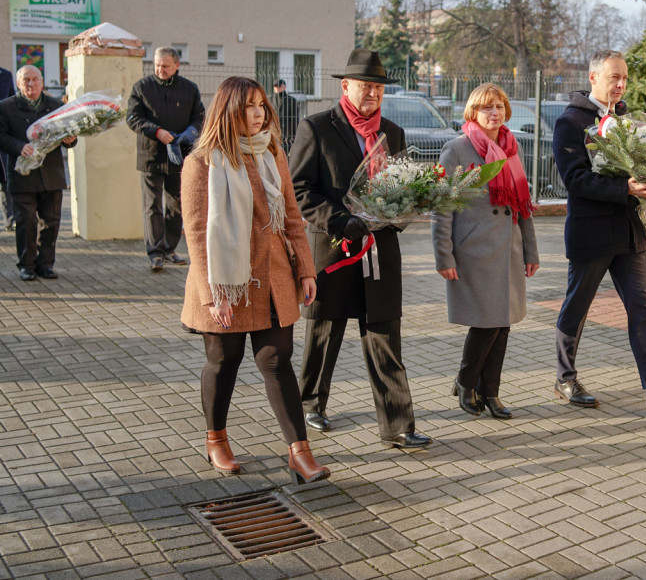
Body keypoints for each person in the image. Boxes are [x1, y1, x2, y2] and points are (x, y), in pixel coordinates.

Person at [180, 76, 330, 485]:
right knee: (224, 361)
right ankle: (216, 440)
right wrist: (215, 294)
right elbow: (195, 233)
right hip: (225, 283)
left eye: (262, 105)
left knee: (277, 362)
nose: (259, 113)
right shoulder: (201, 162)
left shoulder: (273, 153)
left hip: (272, 277)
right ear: (228, 110)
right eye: (249, 106)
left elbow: (293, 217)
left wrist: (305, 269)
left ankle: (299, 454)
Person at [290, 48, 432, 449]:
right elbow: (299, 190)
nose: (371, 93)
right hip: (335, 249)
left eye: (377, 87)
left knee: (385, 334)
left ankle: (398, 424)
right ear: (345, 85)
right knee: (324, 332)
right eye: (364, 85)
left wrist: (398, 215)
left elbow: (407, 190)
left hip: (380, 251)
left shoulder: (393, 133)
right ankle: (311, 405)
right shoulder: (316, 128)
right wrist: (340, 219)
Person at [552, 49, 646, 412]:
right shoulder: (570, 122)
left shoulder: (629, 121)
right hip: (591, 232)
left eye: (624, 79)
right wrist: (626, 189)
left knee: (642, 307)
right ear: (593, 78)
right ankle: (565, 379)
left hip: (628, 232)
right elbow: (575, 180)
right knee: (578, 307)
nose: (620, 85)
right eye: (613, 78)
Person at [432, 83, 540, 419]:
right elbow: (442, 206)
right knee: (486, 324)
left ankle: (490, 391)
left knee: (503, 323)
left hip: (508, 251)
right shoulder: (456, 150)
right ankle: (466, 382)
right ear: (472, 113)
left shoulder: (511, 148)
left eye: (499, 106)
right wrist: (443, 255)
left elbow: (522, 206)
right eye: (486, 107)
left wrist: (531, 251)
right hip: (474, 252)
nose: (494, 113)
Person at [126, 47, 205, 272]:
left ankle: (170, 248)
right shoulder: (141, 87)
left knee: (176, 204)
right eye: (157, 65)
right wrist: (156, 131)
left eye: (165, 66)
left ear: (177, 65)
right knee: (152, 205)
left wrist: (191, 131)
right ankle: (155, 253)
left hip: (180, 155)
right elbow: (133, 118)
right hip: (151, 155)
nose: (160, 69)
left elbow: (199, 116)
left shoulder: (189, 89)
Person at [0, 66, 76, 281]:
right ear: (18, 83)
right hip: (22, 176)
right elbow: (1, 136)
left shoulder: (55, 106)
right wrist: (18, 147)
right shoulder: (6, 107)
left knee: (51, 222)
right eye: (26, 80)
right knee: (26, 222)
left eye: (34, 80)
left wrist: (71, 140)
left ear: (42, 82)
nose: (30, 84)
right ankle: (26, 265)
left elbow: (67, 134)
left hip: (51, 175)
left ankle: (45, 264)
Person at [0, 65, 17, 231]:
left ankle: (9, 220)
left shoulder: (5, 75)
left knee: (6, 181)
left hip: (2, 136)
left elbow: (12, 101)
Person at [272, 79, 299, 151]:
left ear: (284, 87)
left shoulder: (291, 100)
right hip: (273, 131)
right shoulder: (270, 100)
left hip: (287, 133)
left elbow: (295, 118)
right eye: (275, 86)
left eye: (279, 86)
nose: (277, 88)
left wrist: (293, 133)